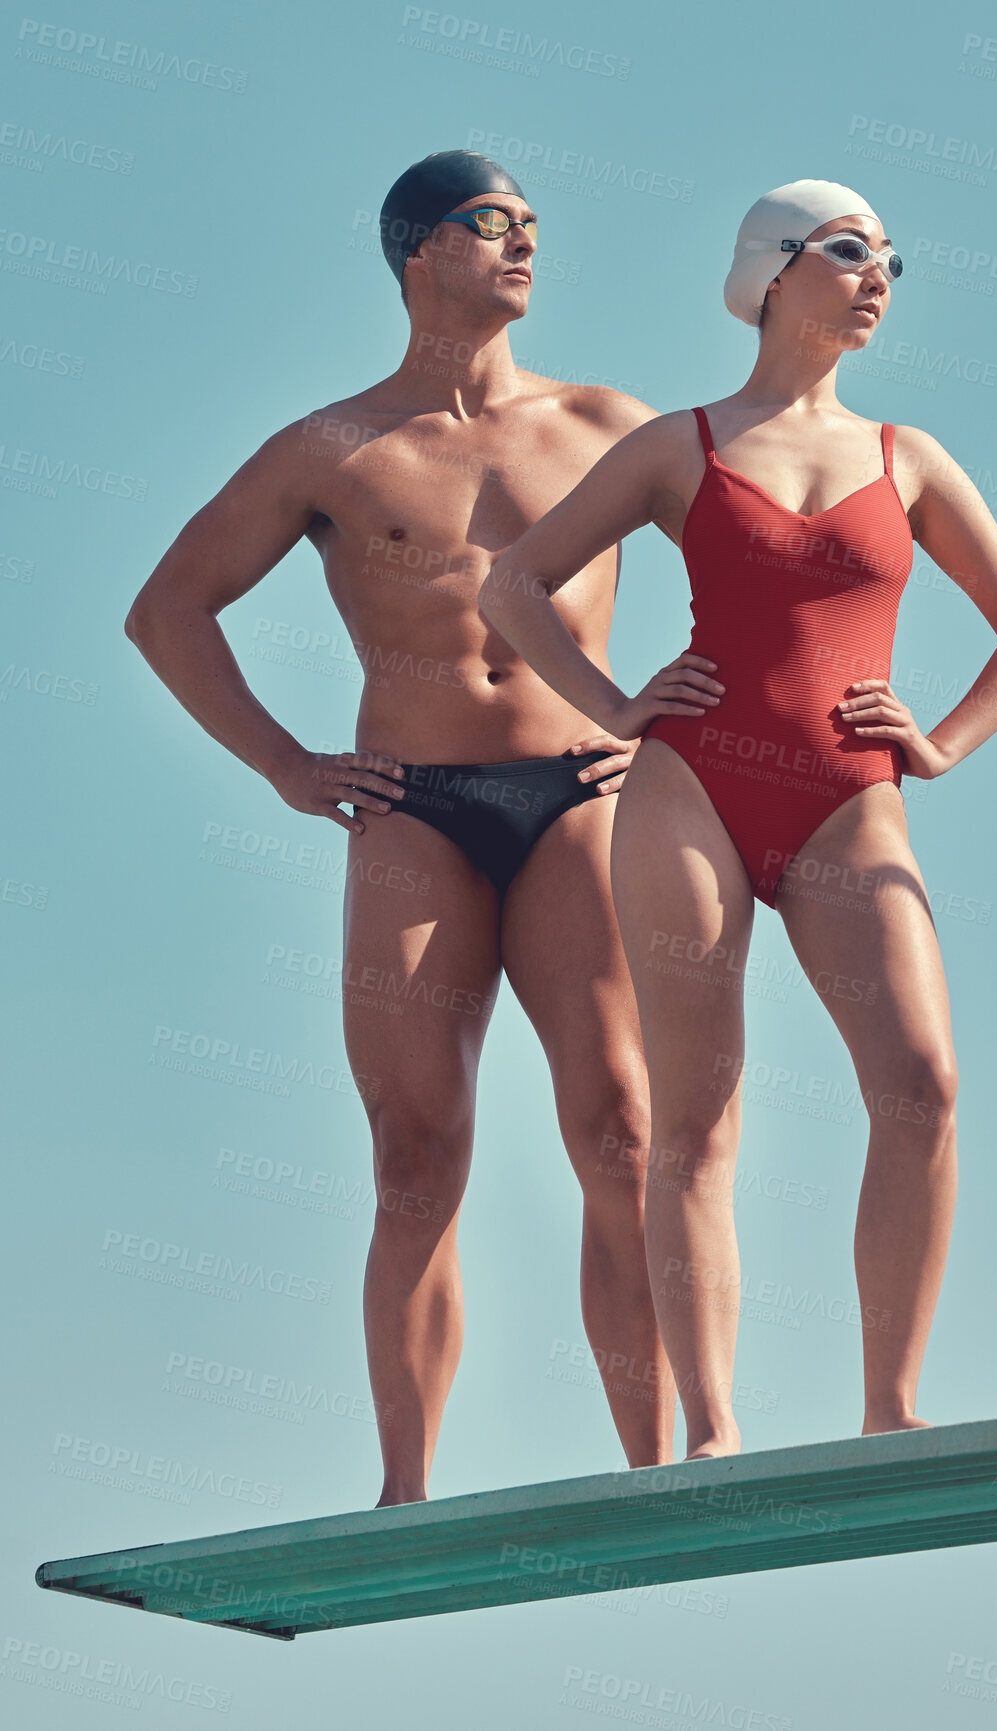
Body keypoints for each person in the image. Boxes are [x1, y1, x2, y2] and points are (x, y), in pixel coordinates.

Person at [124, 149, 680, 1504]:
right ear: (420, 249)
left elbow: (765, 557)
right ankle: (405, 1490)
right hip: (411, 809)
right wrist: (279, 763)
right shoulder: (334, 446)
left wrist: (675, 723)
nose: (525, 245)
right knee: (412, 1152)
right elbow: (167, 609)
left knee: (618, 1129)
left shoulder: (607, 422)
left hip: (576, 800)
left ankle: (663, 1465)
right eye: (495, 224)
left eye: (537, 225)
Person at [480, 178, 997, 1459]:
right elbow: (514, 585)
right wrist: (613, 704)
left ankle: (890, 1409)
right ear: (774, 270)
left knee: (922, 1085)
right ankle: (714, 1430)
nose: (879, 278)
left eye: (894, 263)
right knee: (698, 1115)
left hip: (851, 802)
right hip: (690, 787)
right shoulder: (674, 447)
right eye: (852, 251)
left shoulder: (910, 458)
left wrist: (944, 743)